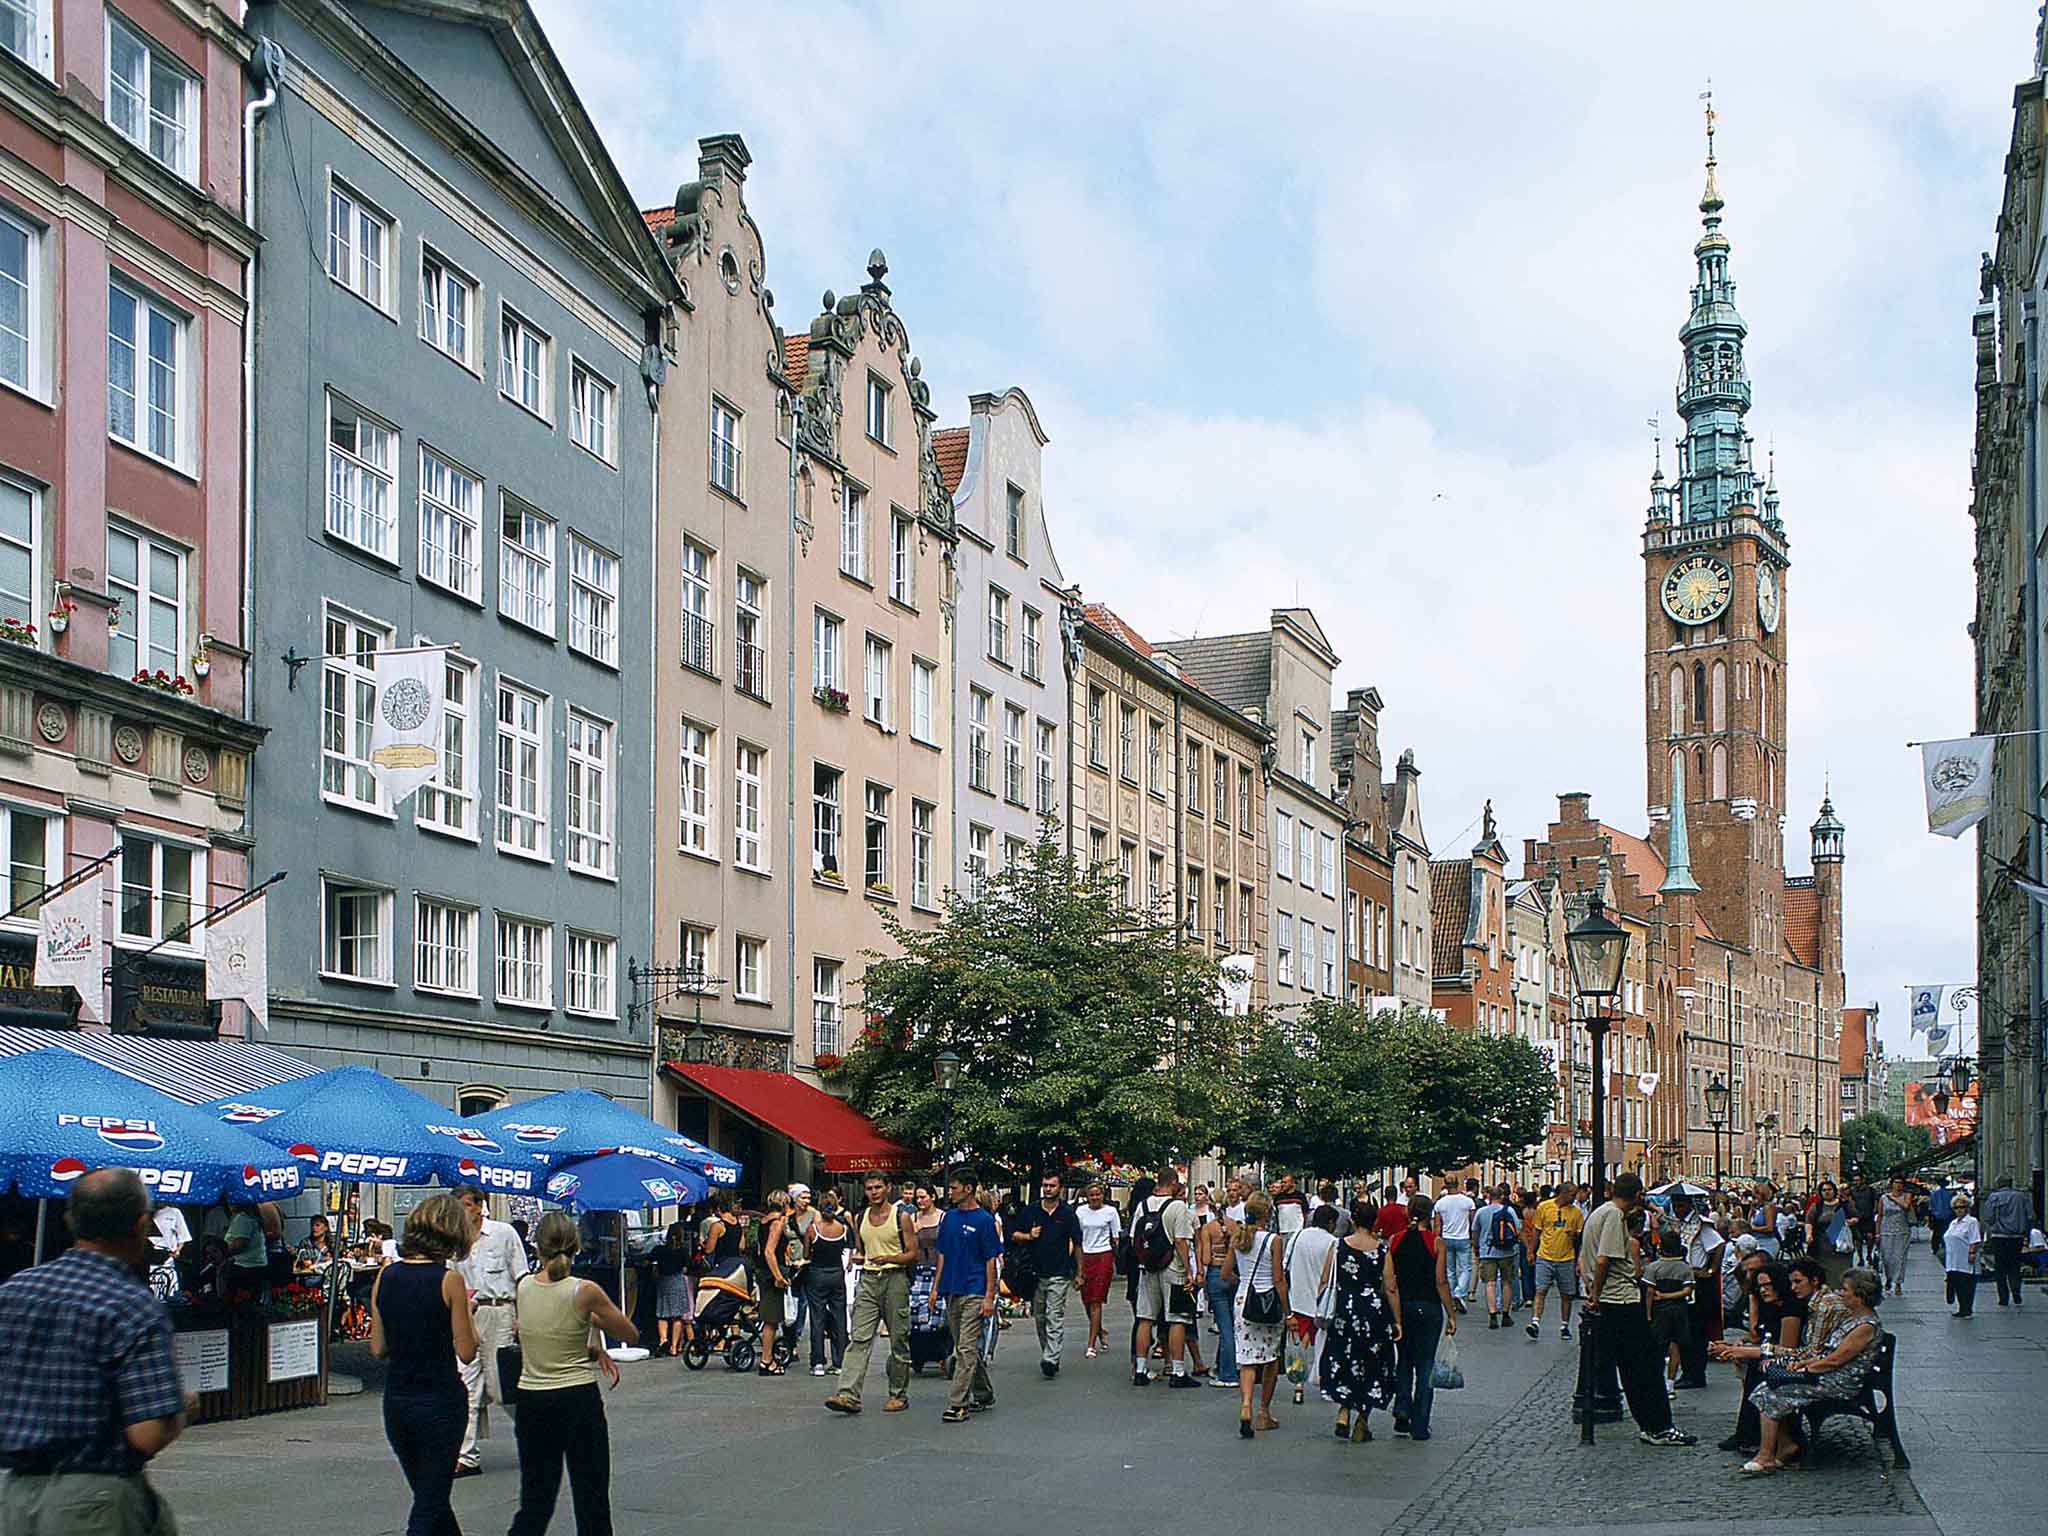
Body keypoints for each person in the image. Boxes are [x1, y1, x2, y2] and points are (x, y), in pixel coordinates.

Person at [0, 1170, 189, 1535]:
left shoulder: (13, 1293)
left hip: (14, 1497)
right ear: (141, 1224)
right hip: (95, 1501)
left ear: (71, 1220)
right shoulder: (133, 1305)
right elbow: (147, 1434)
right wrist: (180, 1410)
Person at [502, 1211, 637, 1536]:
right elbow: (629, 1333)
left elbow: (544, 1331)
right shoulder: (585, 1290)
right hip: (577, 1399)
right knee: (591, 1502)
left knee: (535, 1502)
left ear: (537, 1246)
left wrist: (583, 1327)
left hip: (532, 1401)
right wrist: (592, 1319)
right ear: (576, 1245)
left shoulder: (523, 1287)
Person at [371, 1195, 478, 1536]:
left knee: (430, 1497)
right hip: (440, 1401)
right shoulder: (449, 1281)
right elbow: (466, 1351)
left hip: (397, 1401)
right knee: (430, 1503)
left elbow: (378, 1347)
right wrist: (468, 1315)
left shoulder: (385, 1276)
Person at [1581, 1173, 1695, 1447]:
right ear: (1636, 1194)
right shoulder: (1613, 1216)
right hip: (1619, 1300)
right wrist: (1596, 1295)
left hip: (1611, 1300)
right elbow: (1603, 1259)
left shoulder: (1599, 1212)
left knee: (1630, 1368)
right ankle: (1658, 1426)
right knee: (1643, 1367)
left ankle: (1650, 1424)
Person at [1739, 1269, 1884, 1475]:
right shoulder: (1852, 1318)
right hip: (1828, 1375)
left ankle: (1766, 1455)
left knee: (1769, 1391)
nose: (1841, 1293)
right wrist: (1803, 1364)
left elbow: (1836, 1359)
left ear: (1860, 1295)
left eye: (1845, 1290)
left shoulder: (1865, 1326)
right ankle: (1782, 1447)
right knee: (1768, 1382)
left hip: (1839, 1382)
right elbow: (1828, 1352)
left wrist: (1807, 1369)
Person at [826, 1173, 919, 1414]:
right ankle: (848, 1394)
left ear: (888, 1188)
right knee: (859, 1337)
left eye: (878, 1187)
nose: (874, 1192)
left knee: (899, 1338)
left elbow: (912, 1253)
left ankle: (898, 1393)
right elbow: (861, 1248)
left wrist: (889, 1257)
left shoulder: (902, 1217)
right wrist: (858, 1257)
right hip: (868, 1278)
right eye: (869, 1188)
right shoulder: (860, 1217)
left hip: (895, 1278)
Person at [454, 1184, 528, 1478]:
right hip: (470, 1314)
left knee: (502, 1388)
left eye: (466, 1205)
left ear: (478, 1206)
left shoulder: (503, 1233)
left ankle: (536, 1432)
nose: (462, 1212)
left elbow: (522, 1276)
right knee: (466, 1385)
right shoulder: (453, 1242)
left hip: (501, 1310)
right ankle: (466, 1456)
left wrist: (522, 1317)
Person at [1320, 1201, 1401, 1442]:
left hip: (1345, 1310)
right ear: (1374, 1222)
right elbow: (1390, 1287)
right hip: (1373, 1312)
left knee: (1344, 1358)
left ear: (1353, 1221)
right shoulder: (1382, 1250)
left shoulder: (1337, 1247)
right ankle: (1362, 1420)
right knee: (1372, 1364)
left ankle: (1343, 1412)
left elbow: (1325, 1280)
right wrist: (1397, 1320)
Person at [1708, 1260, 1808, 1455]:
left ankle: (1759, 1438)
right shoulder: (1770, 1307)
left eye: (1767, 1285)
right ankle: (1751, 1434)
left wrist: (1743, 1351)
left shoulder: (1791, 1309)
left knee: (1760, 1370)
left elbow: (1786, 1350)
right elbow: (1757, 1337)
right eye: (1759, 1286)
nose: (1763, 1290)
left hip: (1794, 1362)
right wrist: (1733, 1347)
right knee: (1753, 1366)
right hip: (1780, 1359)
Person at [931, 1169, 1001, 1423]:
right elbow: (942, 1254)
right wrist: (936, 1287)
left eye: (954, 1187)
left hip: (974, 1289)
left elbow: (990, 1259)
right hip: (952, 1288)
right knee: (965, 1348)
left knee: (965, 1347)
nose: (950, 1192)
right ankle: (983, 1393)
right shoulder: (949, 1218)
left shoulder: (984, 1221)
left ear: (968, 1189)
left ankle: (958, 1403)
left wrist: (989, 1296)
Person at [1386, 1195, 1454, 1440]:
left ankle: (1402, 1408)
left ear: (1408, 1213)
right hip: (1429, 1308)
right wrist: (1451, 1313)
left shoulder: (1395, 1240)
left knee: (1403, 1360)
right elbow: (1441, 1281)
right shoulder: (1436, 1243)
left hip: (1402, 1307)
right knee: (1425, 1366)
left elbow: (1390, 1280)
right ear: (1431, 1214)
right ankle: (1420, 1423)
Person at [1222, 1190, 1288, 1437]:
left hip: (1244, 1299)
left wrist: (1244, 1281)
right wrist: (1289, 1312)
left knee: (1247, 1359)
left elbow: (1225, 1273)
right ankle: (1263, 1411)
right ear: (1267, 1213)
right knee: (1270, 1359)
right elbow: (1278, 1279)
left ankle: (1246, 1405)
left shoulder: (1238, 1238)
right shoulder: (1273, 1240)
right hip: (1268, 1302)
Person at [1130, 1167, 1199, 1389]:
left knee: (1145, 1317)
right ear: (1175, 1182)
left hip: (1148, 1266)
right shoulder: (1177, 1207)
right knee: (1177, 1318)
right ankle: (1178, 1371)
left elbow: (1134, 1238)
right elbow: (1181, 1240)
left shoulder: (1142, 1206)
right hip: (1173, 1267)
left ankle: (1140, 1369)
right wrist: (1189, 1270)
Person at [1012, 1170, 1080, 1378]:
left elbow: (1077, 1243)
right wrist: (1028, 1236)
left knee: (1054, 1315)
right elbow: (1013, 1235)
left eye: (1052, 1185)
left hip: (1059, 1272)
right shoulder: (1031, 1211)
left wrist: (1079, 1272)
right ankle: (1048, 1352)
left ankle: (1051, 1358)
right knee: (1040, 1317)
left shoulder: (1067, 1214)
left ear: (1060, 1188)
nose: (1047, 1189)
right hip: (1035, 1272)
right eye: (1045, 1185)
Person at [1284, 1204, 1340, 1405]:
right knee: (1324, 1344)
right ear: (1331, 1222)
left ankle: (1298, 1385)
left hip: (1298, 1298)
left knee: (1301, 1342)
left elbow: (1286, 1263)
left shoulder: (1298, 1236)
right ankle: (1324, 1383)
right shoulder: (1333, 1242)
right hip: (1322, 1301)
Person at [1675, 1193, 1723, 1387]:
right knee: (1685, 1330)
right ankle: (1689, 1372)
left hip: (1697, 1279)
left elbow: (1718, 1245)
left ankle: (1695, 1373)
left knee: (1695, 1330)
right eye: (1675, 1206)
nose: (1677, 1210)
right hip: (1684, 1278)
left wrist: (1710, 1269)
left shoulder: (1701, 1225)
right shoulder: (1680, 1224)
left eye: (1680, 1206)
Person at [1527, 1182, 1583, 1340]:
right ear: (1563, 1193)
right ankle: (1535, 1322)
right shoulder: (1544, 1207)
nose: (1574, 1198)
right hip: (1544, 1256)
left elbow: (1579, 1238)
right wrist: (1531, 1251)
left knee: (1566, 1294)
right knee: (1540, 1290)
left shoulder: (1576, 1213)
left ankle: (1565, 1325)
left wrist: (1573, 1236)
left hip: (1566, 1257)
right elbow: (1536, 1231)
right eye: (1572, 1194)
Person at [804, 1193, 851, 1377]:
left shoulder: (813, 1229)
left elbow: (807, 1254)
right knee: (839, 1317)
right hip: (837, 1274)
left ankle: (818, 1363)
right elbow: (845, 1248)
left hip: (817, 1274)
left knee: (818, 1318)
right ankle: (839, 1362)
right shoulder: (843, 1228)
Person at [1197, 1180, 1239, 1387]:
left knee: (1224, 1326)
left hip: (1215, 1274)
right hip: (1232, 1275)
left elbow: (1205, 1259)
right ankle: (1223, 1366)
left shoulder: (1208, 1228)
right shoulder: (1235, 1227)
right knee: (1231, 1322)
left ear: (1211, 1206)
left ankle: (1228, 1374)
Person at [1074, 1179, 1121, 1358]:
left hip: (1103, 1255)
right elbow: (1076, 1235)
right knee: (1086, 1300)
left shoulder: (1111, 1212)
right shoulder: (1080, 1211)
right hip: (1085, 1255)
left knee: (1096, 1300)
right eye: (1091, 1195)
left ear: (1103, 1195)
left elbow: (1116, 1237)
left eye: (1097, 1194)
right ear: (1086, 1196)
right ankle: (1100, 1331)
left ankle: (1091, 1343)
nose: (1094, 1198)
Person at [754, 1189, 798, 1376]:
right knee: (771, 1319)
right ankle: (766, 1360)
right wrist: (778, 1276)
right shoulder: (777, 1223)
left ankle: (768, 1356)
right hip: (771, 1272)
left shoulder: (763, 1221)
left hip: (762, 1271)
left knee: (770, 1316)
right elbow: (769, 1251)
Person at [1643, 1230, 1693, 1395]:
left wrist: (1648, 1314)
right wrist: (1672, 1295)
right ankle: (1670, 1383)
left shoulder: (1653, 1268)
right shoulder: (1685, 1268)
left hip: (1660, 1311)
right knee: (1675, 1346)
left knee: (1657, 1346)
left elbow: (1649, 1292)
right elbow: (1687, 1291)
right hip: (1679, 1310)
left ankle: (1655, 1381)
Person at [1981, 1175, 2035, 1307]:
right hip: (2016, 1237)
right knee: (2014, 1265)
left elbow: (1987, 1217)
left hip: (1999, 1236)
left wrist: (1995, 1224)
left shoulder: (1994, 1197)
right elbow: (2031, 1215)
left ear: (1998, 1184)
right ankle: (2016, 1292)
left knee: (2000, 1267)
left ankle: (2003, 1298)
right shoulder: (2021, 1197)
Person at [1473, 1185, 1521, 1327]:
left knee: (1490, 1283)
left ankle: (1493, 1315)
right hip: (1507, 1251)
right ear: (1501, 1197)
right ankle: (1506, 1315)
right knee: (1507, 1282)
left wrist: (1476, 1247)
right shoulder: (1509, 1210)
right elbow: (1517, 1229)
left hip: (1487, 1251)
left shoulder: (1481, 1212)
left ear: (1488, 1196)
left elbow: (1475, 1231)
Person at [1434, 1176, 1477, 1312]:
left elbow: (1437, 1224)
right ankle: (1459, 1293)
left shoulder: (1440, 1203)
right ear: (1458, 1184)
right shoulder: (1468, 1202)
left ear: (1445, 1185)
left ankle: (1452, 1297)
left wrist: (1436, 1240)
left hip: (1446, 1238)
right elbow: (1473, 1222)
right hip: (1463, 1237)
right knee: (1466, 1268)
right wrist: (1473, 1238)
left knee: (1450, 1270)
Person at [653, 1222, 693, 1358]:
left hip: (664, 1281)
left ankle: (662, 1339)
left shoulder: (659, 1250)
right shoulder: (683, 1250)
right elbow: (688, 1266)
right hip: (677, 1280)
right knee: (677, 1316)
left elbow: (648, 1259)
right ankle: (674, 1347)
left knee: (662, 1314)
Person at [1805, 1179, 1855, 1288]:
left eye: (1829, 1189)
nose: (1827, 1192)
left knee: (1842, 1272)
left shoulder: (1844, 1205)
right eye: (1824, 1190)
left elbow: (1855, 1217)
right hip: (1822, 1246)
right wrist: (1809, 1235)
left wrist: (1850, 1222)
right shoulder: (1817, 1206)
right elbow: (1809, 1222)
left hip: (1841, 1245)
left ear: (1834, 1190)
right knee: (1825, 1273)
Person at [1944, 1194, 1984, 1317]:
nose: (1959, 1209)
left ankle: (1966, 1308)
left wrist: (1972, 1253)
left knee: (1966, 1284)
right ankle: (1961, 1306)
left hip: (1965, 1259)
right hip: (1952, 1260)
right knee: (1955, 1284)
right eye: (1956, 1207)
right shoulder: (1953, 1223)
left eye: (1962, 1207)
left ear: (1967, 1208)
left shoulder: (1971, 1221)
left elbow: (1975, 1239)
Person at [222, 1199, 268, 1302]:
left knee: (241, 1301)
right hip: (256, 1266)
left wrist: (222, 1252)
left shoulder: (242, 1219)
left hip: (244, 1267)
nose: (229, 1204)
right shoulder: (253, 1218)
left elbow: (240, 1244)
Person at [1877, 1176, 1915, 1297]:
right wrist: (1877, 1232)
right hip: (1886, 1230)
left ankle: (1898, 1283)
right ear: (1891, 1184)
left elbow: (1906, 1206)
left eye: (1900, 1183)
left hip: (1902, 1231)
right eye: (1895, 1183)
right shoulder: (1883, 1198)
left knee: (1899, 1258)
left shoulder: (1906, 1196)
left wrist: (1893, 1198)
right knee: (1887, 1258)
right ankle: (1888, 1278)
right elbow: (1880, 1215)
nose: (1898, 1185)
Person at [1846, 1171, 1879, 1267]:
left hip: (1868, 1217)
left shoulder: (1871, 1190)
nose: (1856, 1182)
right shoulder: (1852, 1191)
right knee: (1858, 1239)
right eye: (1854, 1180)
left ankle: (1869, 1255)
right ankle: (1860, 1258)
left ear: (1863, 1180)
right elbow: (1850, 1203)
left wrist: (1874, 1212)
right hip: (1857, 1218)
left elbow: (1875, 1201)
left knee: (1870, 1237)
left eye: (1858, 1180)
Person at [1927, 1175, 1955, 1263]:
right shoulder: (1950, 1193)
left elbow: (1931, 1207)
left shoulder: (1934, 1194)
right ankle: (1945, 1245)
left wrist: (1932, 1215)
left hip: (1937, 1216)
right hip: (1948, 1216)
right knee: (1946, 1231)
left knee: (1936, 1232)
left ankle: (1935, 1247)